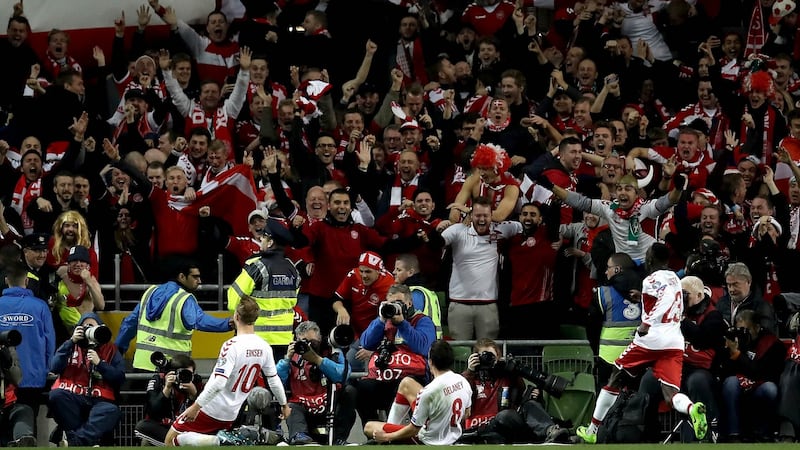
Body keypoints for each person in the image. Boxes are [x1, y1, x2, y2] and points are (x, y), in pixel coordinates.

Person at [576, 243, 708, 444]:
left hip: (652, 339)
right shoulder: (674, 277)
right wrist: (643, 297)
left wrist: (646, 323)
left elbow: (664, 300)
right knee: (670, 394)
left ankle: (593, 429)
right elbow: (670, 299)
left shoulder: (650, 279)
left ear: (651, 259)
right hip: (674, 342)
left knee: (615, 377)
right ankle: (692, 408)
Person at [164, 296, 291, 447]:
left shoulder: (231, 345)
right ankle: (221, 440)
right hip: (231, 413)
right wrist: (284, 404)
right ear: (255, 319)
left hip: (211, 407)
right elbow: (273, 380)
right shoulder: (264, 346)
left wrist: (195, 407)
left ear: (236, 316)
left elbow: (219, 383)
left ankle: (219, 440)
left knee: (170, 442)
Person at [115, 258, 232, 371]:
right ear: (181, 276)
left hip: (142, 365)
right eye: (195, 277)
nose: (199, 281)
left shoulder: (150, 292)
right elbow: (200, 321)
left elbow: (129, 324)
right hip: (171, 368)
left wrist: (118, 351)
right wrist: (228, 323)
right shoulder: (184, 299)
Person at [546, 173, 686, 262]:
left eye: (628, 189)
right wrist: (552, 187)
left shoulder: (646, 208)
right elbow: (581, 202)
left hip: (648, 262)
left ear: (636, 193)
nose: (622, 192)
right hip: (624, 263)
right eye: (619, 189)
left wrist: (678, 189)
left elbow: (667, 201)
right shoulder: (610, 208)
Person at [435, 196, 521, 339]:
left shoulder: (502, 229)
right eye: (478, 215)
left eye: (485, 215)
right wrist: (437, 231)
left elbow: (525, 226)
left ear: (492, 215)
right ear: (471, 216)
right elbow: (435, 244)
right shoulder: (458, 230)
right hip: (459, 304)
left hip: (488, 305)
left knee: (488, 351)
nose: (482, 219)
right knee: (460, 351)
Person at [353, 284, 436, 424]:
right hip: (383, 378)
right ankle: (374, 432)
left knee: (401, 386)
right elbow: (366, 343)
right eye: (390, 304)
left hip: (411, 379)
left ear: (409, 303)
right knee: (362, 389)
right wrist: (380, 320)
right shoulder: (384, 320)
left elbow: (423, 347)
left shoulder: (422, 320)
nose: (394, 308)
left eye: (399, 303)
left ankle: (396, 434)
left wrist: (402, 324)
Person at [363, 339, 473, 445]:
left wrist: (387, 437)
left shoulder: (429, 391)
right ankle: (391, 425)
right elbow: (467, 413)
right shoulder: (463, 381)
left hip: (427, 441)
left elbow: (414, 430)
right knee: (406, 383)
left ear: (430, 362)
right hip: (453, 435)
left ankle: (391, 440)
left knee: (369, 427)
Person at [461, 339, 570, 444]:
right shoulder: (470, 379)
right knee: (503, 416)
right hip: (483, 428)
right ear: (475, 358)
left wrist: (514, 372)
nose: (488, 359)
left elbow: (520, 398)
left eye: (491, 356)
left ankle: (551, 432)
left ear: (498, 357)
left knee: (528, 405)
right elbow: (462, 397)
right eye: (484, 356)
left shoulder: (506, 376)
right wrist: (469, 371)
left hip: (509, 425)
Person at [227, 216, 305, 356]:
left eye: (263, 238)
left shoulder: (257, 266)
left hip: (256, 339)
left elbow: (233, 300)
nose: (261, 241)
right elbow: (293, 301)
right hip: (284, 341)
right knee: (276, 377)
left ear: (270, 242)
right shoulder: (292, 269)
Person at [48, 313, 126, 447]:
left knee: (111, 411)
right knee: (56, 396)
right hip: (72, 395)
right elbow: (54, 367)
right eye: (85, 327)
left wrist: (100, 363)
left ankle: (75, 441)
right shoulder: (70, 345)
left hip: (99, 399)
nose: (88, 330)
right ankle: (84, 440)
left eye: (92, 327)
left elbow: (119, 378)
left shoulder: (111, 349)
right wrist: (71, 342)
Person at [276, 321, 357, 446]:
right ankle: (299, 435)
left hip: (328, 407)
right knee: (291, 406)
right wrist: (287, 359)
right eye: (304, 342)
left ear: (319, 338)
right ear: (297, 341)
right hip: (302, 408)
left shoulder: (331, 352)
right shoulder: (294, 356)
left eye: (313, 342)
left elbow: (343, 375)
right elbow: (277, 382)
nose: (309, 346)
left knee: (349, 391)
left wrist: (318, 360)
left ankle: (338, 439)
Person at [719, 309, 785, 442]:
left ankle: (763, 433)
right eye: (739, 330)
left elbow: (763, 373)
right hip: (739, 387)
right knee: (730, 383)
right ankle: (733, 434)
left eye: (746, 330)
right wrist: (731, 352)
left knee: (770, 389)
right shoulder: (735, 341)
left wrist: (738, 355)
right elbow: (724, 373)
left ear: (757, 327)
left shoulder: (772, 344)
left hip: (761, 387)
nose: (743, 334)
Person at [0, 262, 55, 419]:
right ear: (26, 281)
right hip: (33, 377)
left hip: (3, 380)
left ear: (6, 280)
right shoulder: (40, 307)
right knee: (28, 420)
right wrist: (47, 369)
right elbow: (50, 343)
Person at [591, 253, 642, 383]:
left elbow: (592, 327)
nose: (605, 271)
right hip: (639, 359)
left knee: (606, 401)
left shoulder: (602, 293)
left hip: (608, 359)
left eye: (608, 267)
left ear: (617, 269)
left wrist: (596, 350)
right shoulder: (647, 291)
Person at [136, 354, 203, 444]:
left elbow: (203, 416)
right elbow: (152, 411)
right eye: (182, 373)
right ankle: (178, 443)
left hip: (188, 430)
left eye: (189, 374)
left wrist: (193, 395)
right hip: (165, 427)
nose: (185, 377)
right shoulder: (159, 380)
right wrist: (167, 389)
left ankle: (178, 442)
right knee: (142, 427)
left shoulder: (196, 383)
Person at [716, 262, 778, 334]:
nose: (731, 289)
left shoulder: (763, 307)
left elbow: (766, 337)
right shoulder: (721, 303)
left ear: (748, 282)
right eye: (729, 285)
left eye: (735, 284)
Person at [392, 253, 443, 338]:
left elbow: (409, 320)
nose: (394, 272)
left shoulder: (415, 293)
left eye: (398, 270)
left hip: (420, 345)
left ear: (410, 272)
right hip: (428, 343)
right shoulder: (423, 290)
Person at [54, 245, 104, 330]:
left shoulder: (91, 281)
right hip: (61, 328)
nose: (78, 264)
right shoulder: (61, 275)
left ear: (88, 266)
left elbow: (101, 306)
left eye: (82, 261)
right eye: (74, 261)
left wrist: (89, 283)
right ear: (68, 264)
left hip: (83, 328)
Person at [0, 340, 36, 447]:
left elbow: (17, 379)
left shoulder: (6, 346)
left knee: (24, 410)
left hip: (8, 405)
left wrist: (8, 363)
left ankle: (23, 440)